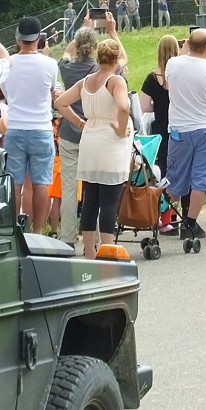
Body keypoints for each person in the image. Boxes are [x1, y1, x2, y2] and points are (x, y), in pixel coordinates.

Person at [54, 38, 132, 258]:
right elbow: (124, 107)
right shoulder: (116, 81)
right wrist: (120, 128)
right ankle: (108, 249)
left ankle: (89, 249)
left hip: (90, 141)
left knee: (91, 199)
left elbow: (60, 102)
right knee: (109, 200)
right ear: (116, 60)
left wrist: (79, 122)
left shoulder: (85, 81)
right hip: (110, 143)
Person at [166, 28, 206, 241]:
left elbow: (175, 68)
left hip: (178, 129)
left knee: (175, 176)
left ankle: (164, 216)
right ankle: (190, 223)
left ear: (188, 45)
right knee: (202, 178)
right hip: (205, 128)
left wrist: (186, 47)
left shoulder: (172, 64)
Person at [3, 16, 60, 234]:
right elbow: (52, 92)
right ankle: (38, 231)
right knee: (41, 182)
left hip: (16, 127)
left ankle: (15, 229)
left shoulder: (8, 62)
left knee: (15, 182)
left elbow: (6, 93)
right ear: (38, 38)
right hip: (41, 128)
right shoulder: (50, 65)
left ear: (18, 38)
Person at [139, 35, 180, 174]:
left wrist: (157, 106)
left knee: (163, 165)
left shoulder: (152, 78)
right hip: (180, 124)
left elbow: (143, 106)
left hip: (161, 126)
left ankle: (165, 194)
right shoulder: (181, 75)